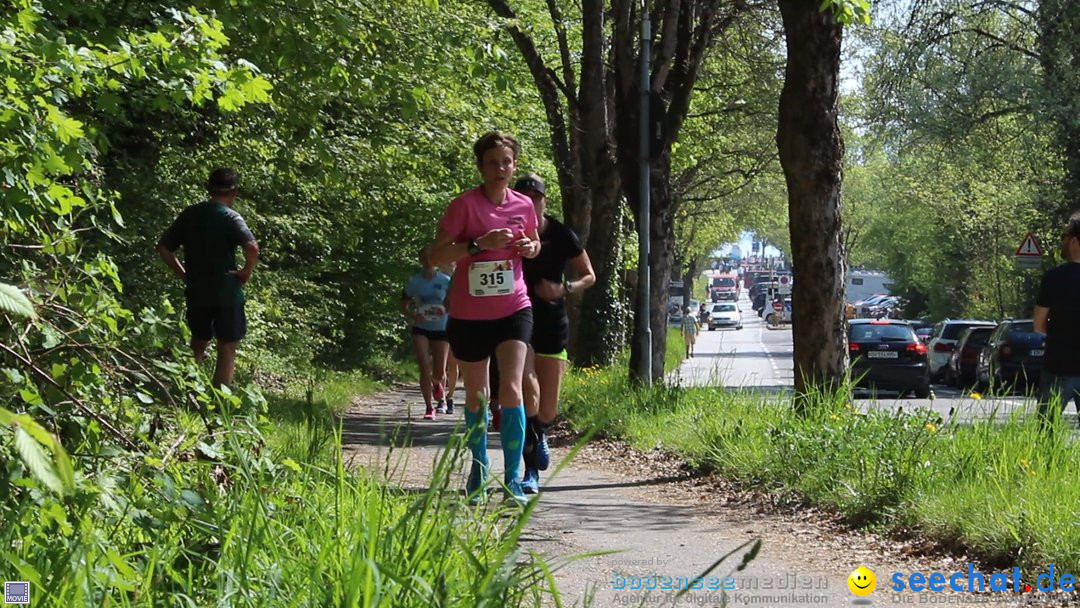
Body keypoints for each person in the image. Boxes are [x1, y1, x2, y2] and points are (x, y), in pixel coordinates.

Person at [429, 131, 541, 504]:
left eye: (506, 162)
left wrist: (530, 246)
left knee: (512, 387)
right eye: (492, 162)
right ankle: (478, 471)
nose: (500, 169)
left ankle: (512, 481)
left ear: (515, 165)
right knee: (478, 393)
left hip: (514, 307)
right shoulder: (463, 206)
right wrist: (479, 245)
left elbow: (534, 242)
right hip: (469, 312)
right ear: (480, 166)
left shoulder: (524, 205)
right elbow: (432, 257)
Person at [515, 173, 595, 494]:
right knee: (526, 386)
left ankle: (541, 433)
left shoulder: (561, 234)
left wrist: (563, 288)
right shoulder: (511, 236)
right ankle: (530, 470)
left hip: (553, 323)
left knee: (547, 409)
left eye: (536, 198)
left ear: (545, 201)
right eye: (524, 199)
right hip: (520, 318)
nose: (531, 204)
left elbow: (589, 275)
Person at [157, 167, 259, 388]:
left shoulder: (191, 214)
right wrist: (246, 271)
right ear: (234, 192)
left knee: (198, 343)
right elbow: (252, 246)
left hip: (197, 290)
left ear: (209, 189)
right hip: (227, 292)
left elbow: (164, 248)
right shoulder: (231, 217)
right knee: (227, 346)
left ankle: (189, 393)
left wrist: (184, 274)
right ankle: (219, 399)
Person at [1034, 211, 1080, 430]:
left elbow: (1038, 326)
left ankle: (1046, 466)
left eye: (1064, 237)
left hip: (1059, 367)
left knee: (1046, 430)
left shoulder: (1054, 277)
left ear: (1073, 241)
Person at [401, 248, 451, 420]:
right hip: (421, 327)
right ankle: (429, 407)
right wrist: (414, 315)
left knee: (439, 371)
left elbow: (453, 303)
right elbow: (404, 305)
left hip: (441, 328)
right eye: (424, 258)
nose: (427, 260)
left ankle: (439, 387)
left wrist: (445, 309)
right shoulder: (414, 282)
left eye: (430, 257)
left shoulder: (446, 280)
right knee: (424, 366)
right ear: (420, 260)